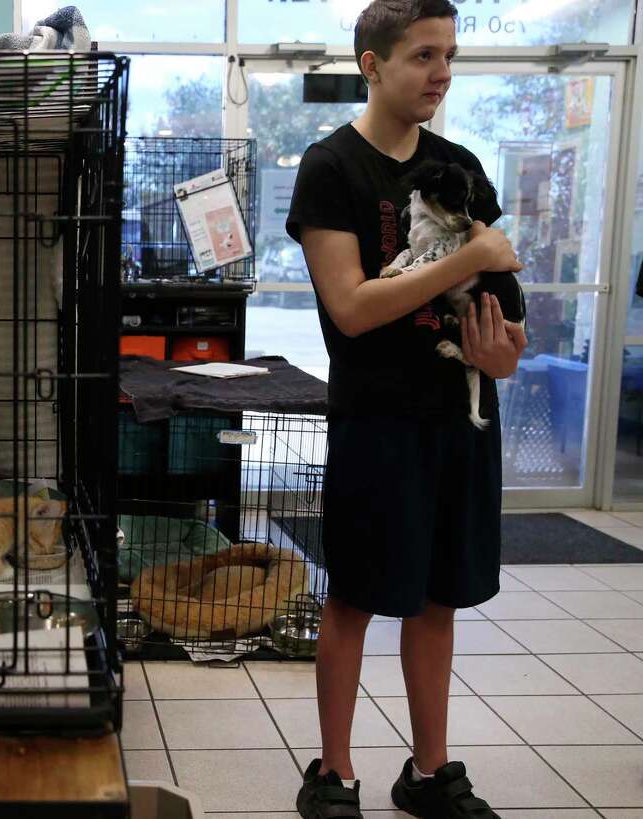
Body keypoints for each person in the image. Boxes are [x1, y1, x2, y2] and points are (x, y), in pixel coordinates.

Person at [284, 0, 527, 816]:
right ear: (372, 64)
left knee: (438, 597)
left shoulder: (461, 163)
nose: (442, 73)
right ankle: (335, 773)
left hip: (457, 419)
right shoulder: (331, 168)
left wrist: (502, 352)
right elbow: (351, 307)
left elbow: (501, 310)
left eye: (448, 55)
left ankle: (429, 771)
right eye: (423, 55)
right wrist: (475, 250)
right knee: (353, 596)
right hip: (375, 418)